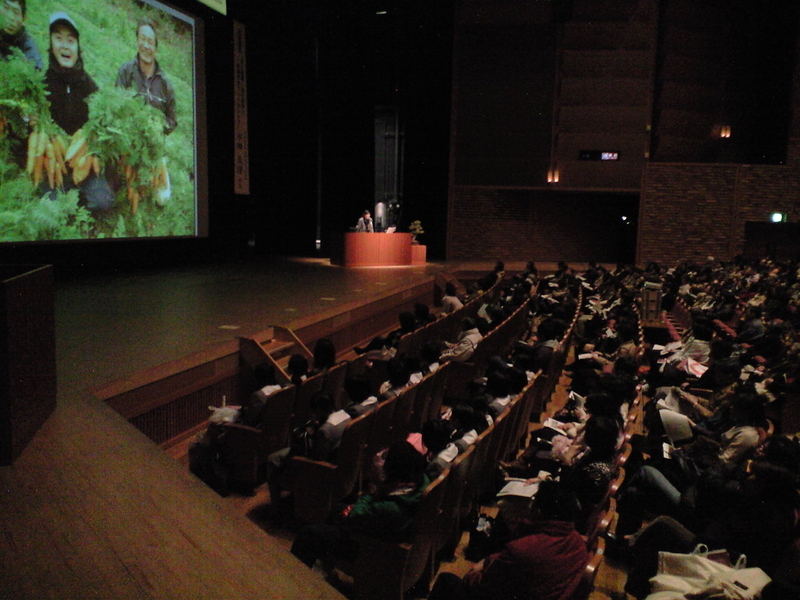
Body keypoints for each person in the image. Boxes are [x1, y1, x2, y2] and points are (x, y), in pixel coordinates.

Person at [428, 480, 590, 600]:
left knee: (446, 581)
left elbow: (483, 587)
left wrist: (472, 573)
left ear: (538, 511)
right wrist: (489, 561)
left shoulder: (524, 549)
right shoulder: (580, 544)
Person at [44, 12, 114, 211]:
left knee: (103, 201)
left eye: (70, 40)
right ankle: (64, 192)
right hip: (54, 159)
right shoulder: (42, 84)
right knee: (50, 207)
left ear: (77, 48)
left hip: (82, 160)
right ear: (51, 43)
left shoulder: (90, 87)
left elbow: (102, 128)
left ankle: (78, 195)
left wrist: (92, 144)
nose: (65, 45)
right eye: (58, 38)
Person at [115, 17, 177, 134]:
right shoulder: (126, 71)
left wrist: (156, 127)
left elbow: (172, 121)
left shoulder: (165, 85)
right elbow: (115, 103)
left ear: (155, 47)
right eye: (142, 39)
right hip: (125, 138)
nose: (146, 46)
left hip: (151, 146)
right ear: (137, 41)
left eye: (150, 42)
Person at [0, 0, 41, 68]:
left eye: (16, 13)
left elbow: (35, 68)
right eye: (6, 8)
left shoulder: (26, 42)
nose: (10, 17)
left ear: (23, 19)